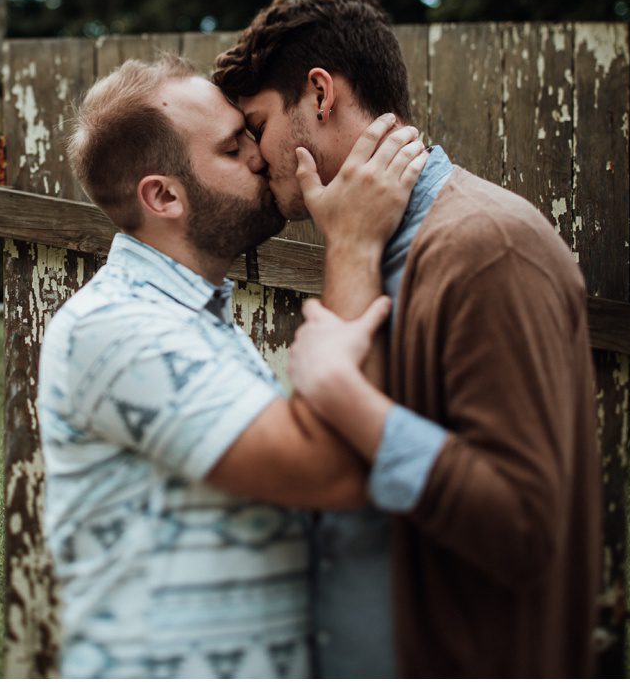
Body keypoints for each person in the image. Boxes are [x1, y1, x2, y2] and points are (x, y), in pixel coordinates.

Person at [212, 0, 602, 678]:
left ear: (320, 95)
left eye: (258, 124)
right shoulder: (364, 242)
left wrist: (346, 396)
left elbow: (526, 526)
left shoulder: (487, 247)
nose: (255, 155)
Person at [36, 54, 427, 678]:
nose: (260, 155)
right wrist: (353, 241)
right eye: (231, 147)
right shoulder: (119, 328)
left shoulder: (196, 318)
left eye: (249, 133)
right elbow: (331, 472)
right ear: (164, 196)